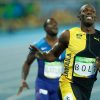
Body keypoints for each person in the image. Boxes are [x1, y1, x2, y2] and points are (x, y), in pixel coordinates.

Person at [30, 4, 100, 100]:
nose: (89, 12)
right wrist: (41, 55)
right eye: (85, 10)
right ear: (79, 16)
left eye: (92, 11)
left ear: (95, 16)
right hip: (68, 84)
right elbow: (53, 55)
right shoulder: (68, 35)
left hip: (87, 88)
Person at [17, 18, 65, 100]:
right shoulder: (38, 45)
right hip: (43, 84)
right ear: (45, 28)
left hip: (59, 86)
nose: (54, 25)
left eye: (56, 24)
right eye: (51, 24)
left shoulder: (63, 45)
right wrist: (23, 80)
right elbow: (27, 63)